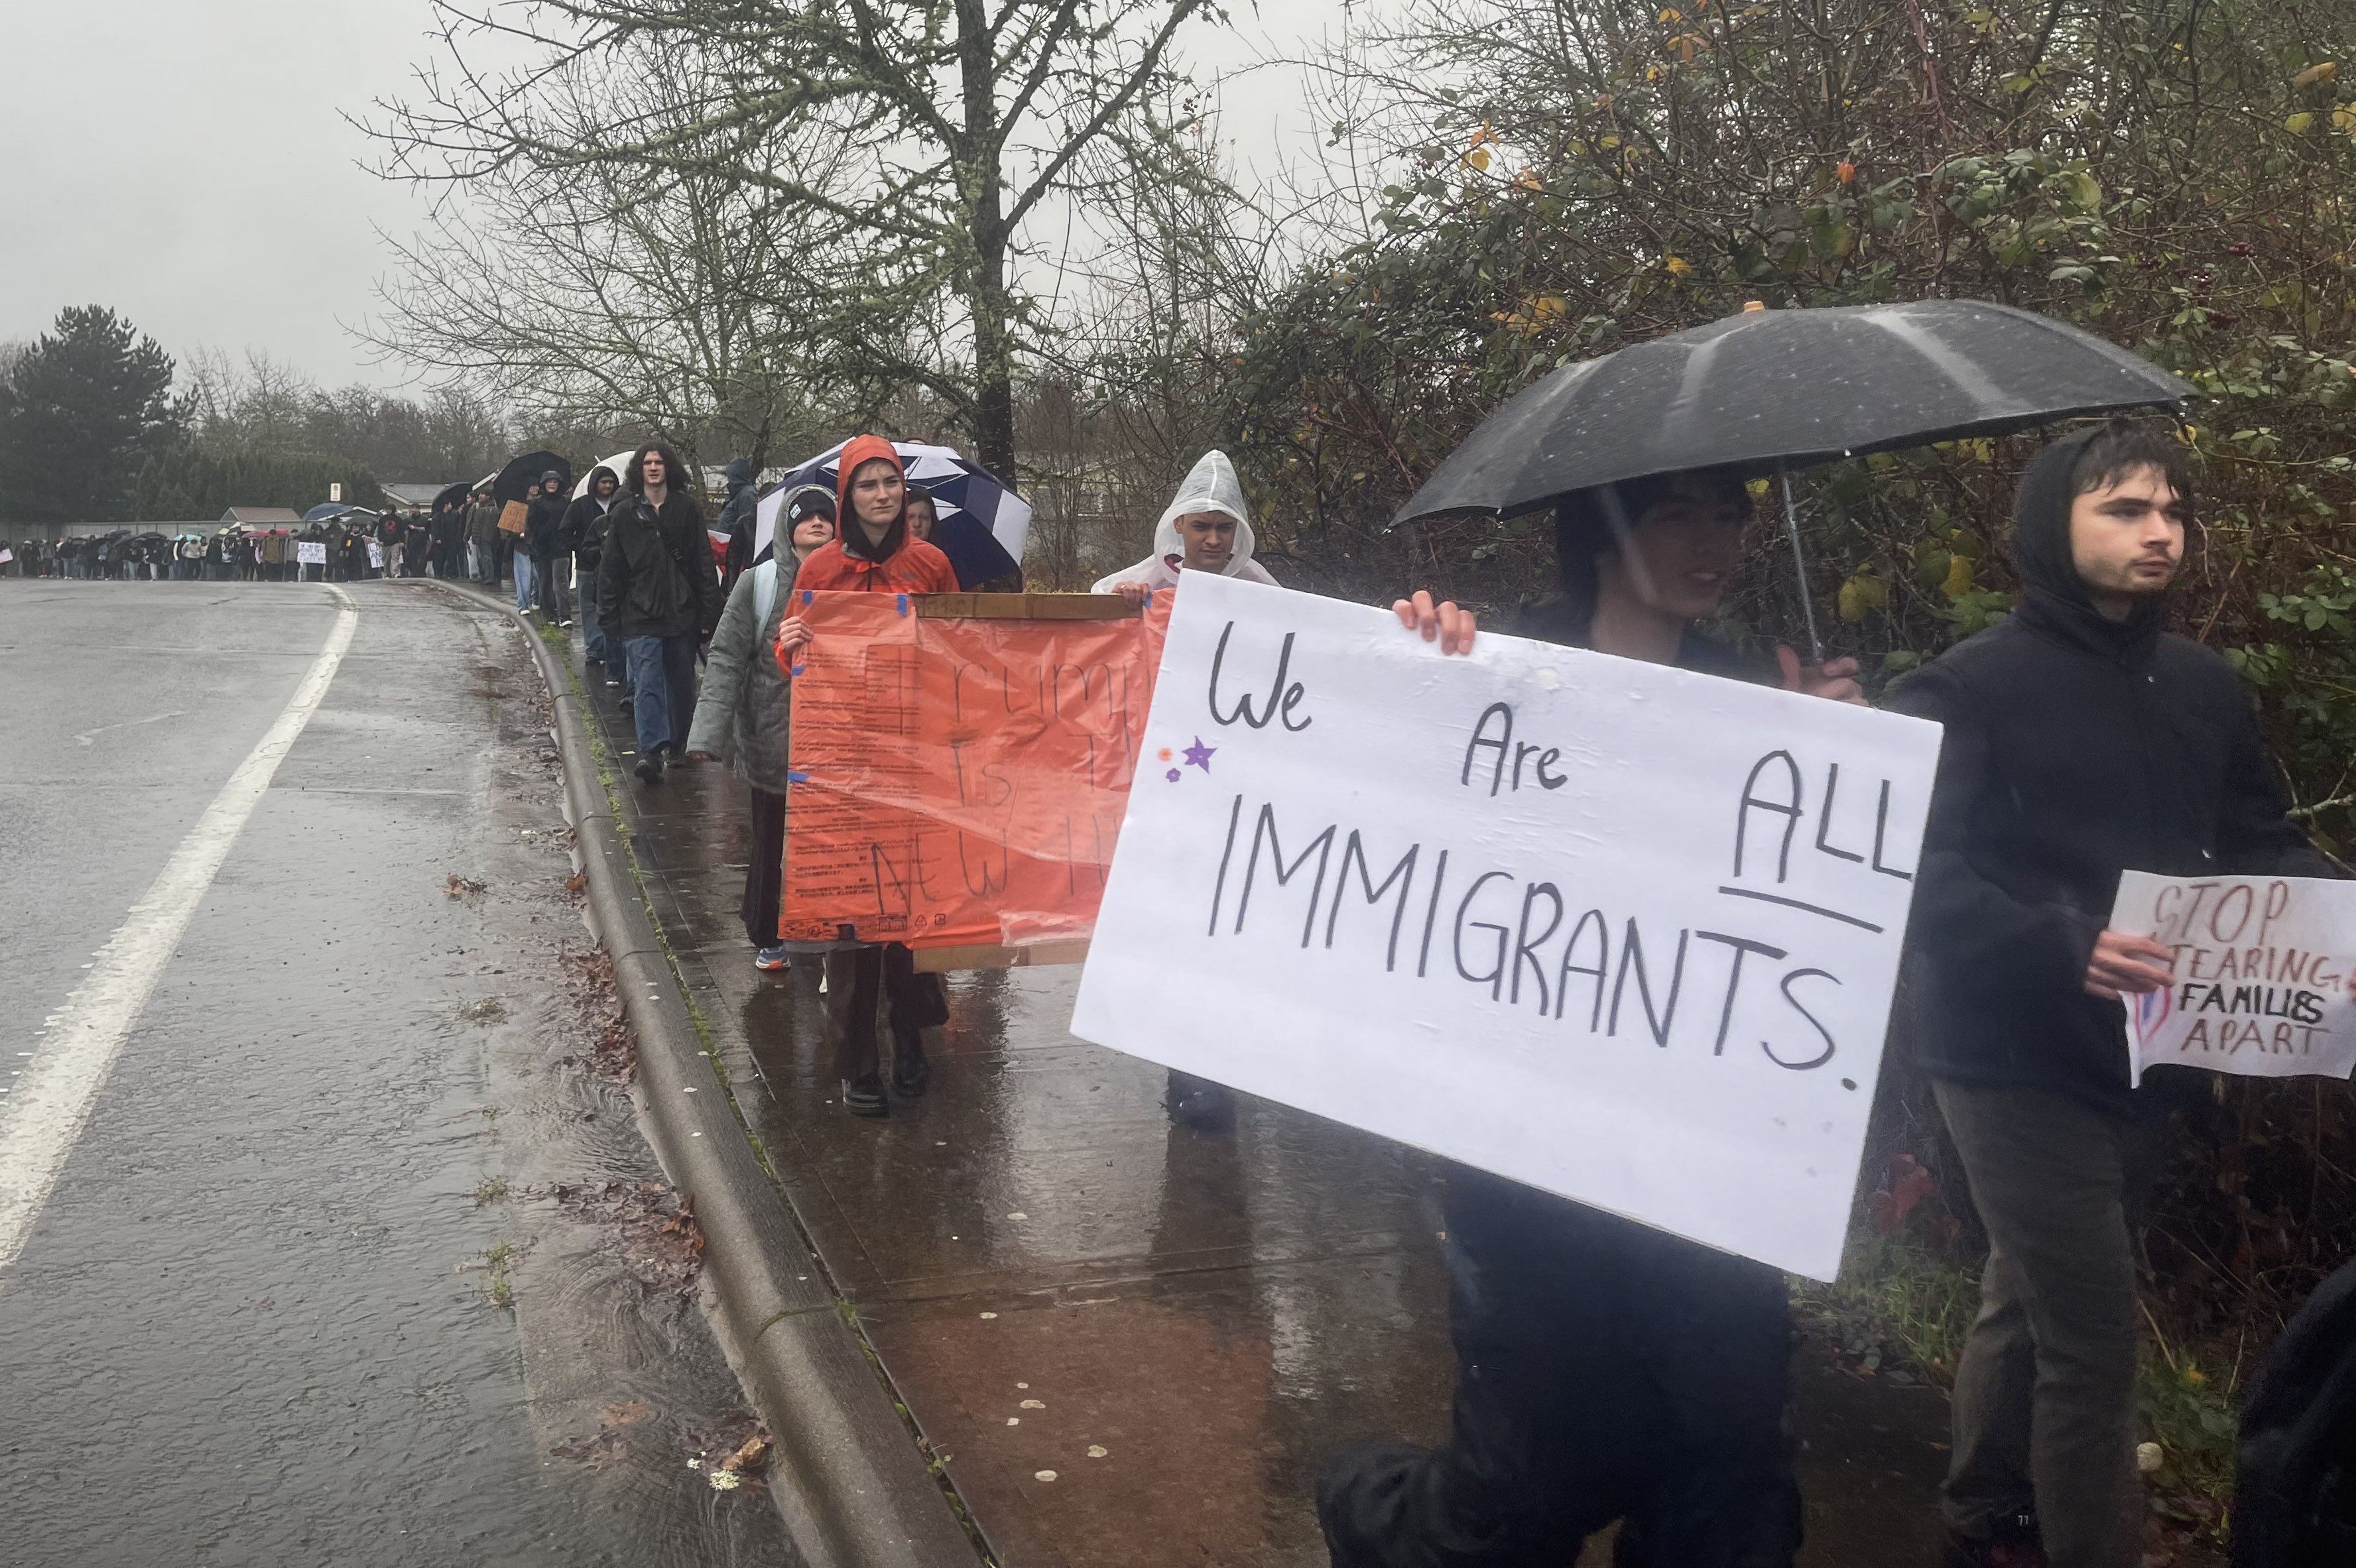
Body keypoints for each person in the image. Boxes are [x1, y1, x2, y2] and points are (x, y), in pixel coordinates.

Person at [1317, 465, 1863, 1568]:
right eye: (1678, 516)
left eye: (1729, 517)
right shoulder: (1500, 672)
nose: (1714, 542)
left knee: (1729, 1464)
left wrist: (1839, 767)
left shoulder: (1761, 696)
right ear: (1602, 537)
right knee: (1518, 1493)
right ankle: (1363, 1505)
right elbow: (1377, 821)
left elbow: (1805, 925)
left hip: (1705, 1158)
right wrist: (1411, 671)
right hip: (1531, 1156)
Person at [1888, 421, 2344, 1568]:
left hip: (2148, 1045)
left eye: (2173, 511)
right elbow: (1913, 870)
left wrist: (2333, 915)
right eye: (2125, 509)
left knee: (2027, 1293)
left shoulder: (2202, 685)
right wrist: (2059, 944)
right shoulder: (1965, 687)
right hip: (2003, 1049)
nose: (2160, 532)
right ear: (2055, 525)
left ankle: (1984, 1508)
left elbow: (2256, 839)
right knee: (2091, 1337)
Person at [773, 439, 958, 1117]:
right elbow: (788, 647)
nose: (882, 495)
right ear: (847, 495)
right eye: (867, 484)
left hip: (913, 758)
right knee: (851, 922)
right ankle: (857, 1061)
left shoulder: (930, 563)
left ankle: (910, 1035)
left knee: (910, 913)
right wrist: (790, 645)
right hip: (843, 763)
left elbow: (961, 642)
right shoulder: (821, 565)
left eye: (890, 483)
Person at [684, 483, 836, 973]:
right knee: (771, 841)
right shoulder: (760, 582)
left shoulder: (852, 584)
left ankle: (828, 929)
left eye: (825, 515)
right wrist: (707, 735)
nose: (816, 522)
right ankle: (768, 932)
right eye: (805, 515)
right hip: (772, 742)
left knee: (829, 841)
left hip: (834, 744)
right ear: (787, 526)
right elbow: (727, 656)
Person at [597, 444, 718, 785]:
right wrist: (609, 615)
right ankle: (651, 751)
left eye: (659, 462)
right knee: (647, 683)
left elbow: (703, 563)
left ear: (668, 468)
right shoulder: (625, 514)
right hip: (640, 614)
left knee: (680, 684)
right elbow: (612, 569)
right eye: (648, 463)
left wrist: (708, 614)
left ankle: (677, 744)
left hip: (682, 613)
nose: (653, 468)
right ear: (640, 470)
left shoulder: (687, 509)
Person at [1092, 448, 1277, 603]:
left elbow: (1288, 617)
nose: (1214, 540)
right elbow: (1096, 609)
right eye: (1201, 527)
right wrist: (1120, 599)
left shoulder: (1254, 581)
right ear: (1179, 523)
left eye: (1225, 528)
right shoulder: (1154, 577)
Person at [565, 466, 621, 682]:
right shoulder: (580, 506)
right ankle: (594, 648)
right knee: (589, 607)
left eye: (611, 482)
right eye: (603, 482)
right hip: (588, 566)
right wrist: (581, 548)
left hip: (613, 567)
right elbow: (565, 531)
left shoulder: (620, 505)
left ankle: (610, 648)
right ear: (595, 484)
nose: (607, 486)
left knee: (609, 608)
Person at [525, 470, 570, 620]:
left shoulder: (566, 502)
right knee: (545, 580)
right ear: (544, 484)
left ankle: (564, 612)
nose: (552, 484)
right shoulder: (536, 503)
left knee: (560, 580)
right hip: (543, 547)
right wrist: (532, 547)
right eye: (549, 482)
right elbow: (530, 525)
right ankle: (548, 612)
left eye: (555, 482)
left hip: (561, 546)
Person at [713, 455, 759, 595]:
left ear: (737, 476)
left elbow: (746, 528)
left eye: (730, 477)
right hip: (726, 552)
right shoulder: (738, 494)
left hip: (734, 553)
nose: (728, 481)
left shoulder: (746, 495)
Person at [467, 487, 501, 585]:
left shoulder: (494, 508)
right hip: (482, 537)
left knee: (488, 557)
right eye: (480, 494)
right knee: (484, 557)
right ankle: (488, 576)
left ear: (489, 496)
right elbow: (469, 523)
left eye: (483, 494)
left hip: (491, 537)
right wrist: (467, 536)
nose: (480, 496)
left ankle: (490, 576)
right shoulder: (476, 507)